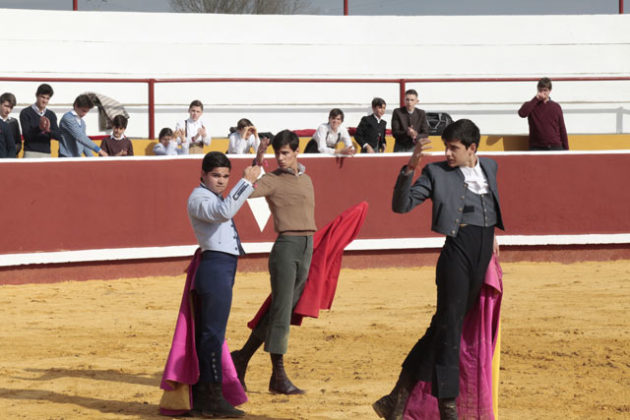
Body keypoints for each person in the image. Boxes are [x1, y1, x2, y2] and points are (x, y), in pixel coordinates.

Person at [373, 119, 504, 420]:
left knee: (442, 328)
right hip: (456, 254)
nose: (447, 153)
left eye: (454, 148)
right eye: (446, 147)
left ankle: (396, 397)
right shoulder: (435, 173)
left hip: (481, 254)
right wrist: (411, 166)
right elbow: (401, 205)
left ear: (472, 149)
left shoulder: (491, 168)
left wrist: (492, 234)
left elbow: (488, 207)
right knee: (451, 329)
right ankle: (448, 408)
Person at [231, 130, 316, 395]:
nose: (280, 158)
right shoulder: (272, 180)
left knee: (282, 310)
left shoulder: (308, 179)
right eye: (277, 153)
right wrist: (256, 164)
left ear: (295, 152)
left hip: (306, 248)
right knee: (280, 312)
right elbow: (244, 194)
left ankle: (242, 358)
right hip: (286, 249)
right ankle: (278, 376)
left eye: (285, 153)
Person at [187, 151, 260, 418]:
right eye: (216, 176)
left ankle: (204, 398)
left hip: (223, 268)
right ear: (203, 175)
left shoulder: (213, 196)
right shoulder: (198, 198)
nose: (221, 181)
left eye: (225, 177)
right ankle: (211, 398)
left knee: (211, 334)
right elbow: (223, 212)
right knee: (212, 336)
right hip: (214, 268)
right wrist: (244, 182)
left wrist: (252, 175)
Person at [518, 77, 569, 150]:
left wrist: (566, 150)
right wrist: (535, 99)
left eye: (545, 90)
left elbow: (562, 128)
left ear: (550, 90)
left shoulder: (556, 107)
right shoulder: (531, 105)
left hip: (555, 147)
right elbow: (522, 113)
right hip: (536, 147)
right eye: (540, 90)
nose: (542, 93)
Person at [19, 83, 61, 158]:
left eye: (47, 98)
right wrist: (39, 128)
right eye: (43, 97)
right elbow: (26, 135)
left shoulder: (51, 114)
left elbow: (58, 135)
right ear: (37, 95)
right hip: (30, 152)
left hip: (47, 153)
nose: (45, 101)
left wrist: (48, 130)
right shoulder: (25, 112)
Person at [0, 93, 21, 157]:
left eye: (11, 107)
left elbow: (18, 143)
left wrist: (11, 152)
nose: (8, 110)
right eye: (6, 106)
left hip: (10, 158)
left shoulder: (14, 122)